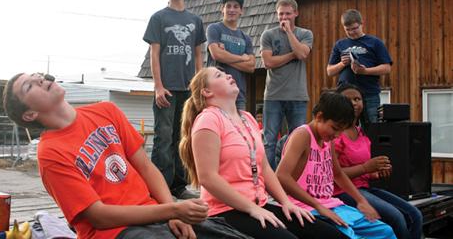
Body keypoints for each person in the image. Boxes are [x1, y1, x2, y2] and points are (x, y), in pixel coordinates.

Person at [2, 72, 254, 239]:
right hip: (116, 233)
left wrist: (173, 212)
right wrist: (170, 212)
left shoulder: (106, 110)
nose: (39, 78)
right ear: (29, 115)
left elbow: (146, 167)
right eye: (29, 85)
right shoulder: (50, 153)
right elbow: (99, 216)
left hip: (156, 214)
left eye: (37, 75)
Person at [179, 67, 349, 239]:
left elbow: (265, 168)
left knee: (330, 234)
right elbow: (207, 178)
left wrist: (286, 202)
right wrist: (252, 208)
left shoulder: (247, 118)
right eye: (219, 75)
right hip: (226, 210)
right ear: (207, 92)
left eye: (225, 73)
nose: (228, 75)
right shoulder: (208, 119)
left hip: (259, 204)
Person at [276, 92, 396, 239]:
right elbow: (281, 176)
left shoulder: (328, 140)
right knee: (349, 235)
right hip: (305, 206)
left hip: (331, 205)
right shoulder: (302, 136)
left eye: (341, 130)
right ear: (319, 117)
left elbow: (337, 174)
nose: (338, 134)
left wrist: (361, 200)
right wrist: (318, 206)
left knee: (385, 231)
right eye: (335, 128)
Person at [143, 0, 206, 199]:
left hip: (188, 90)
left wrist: (199, 87)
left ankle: (179, 186)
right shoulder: (159, 18)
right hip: (166, 89)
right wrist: (158, 86)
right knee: (163, 139)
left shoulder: (195, 20)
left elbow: (198, 55)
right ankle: (159, 189)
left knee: (183, 138)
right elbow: (154, 53)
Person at [334, 83, 423, 239]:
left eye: (357, 99)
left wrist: (374, 173)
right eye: (348, 99)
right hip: (343, 191)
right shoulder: (335, 135)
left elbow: (364, 171)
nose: (354, 103)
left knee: (415, 215)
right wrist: (365, 168)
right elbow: (333, 174)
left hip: (365, 188)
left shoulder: (361, 132)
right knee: (397, 218)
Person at [260, 0, 313, 169]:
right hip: (273, 95)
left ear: (296, 13)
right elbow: (268, 62)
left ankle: (293, 180)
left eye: (288, 14)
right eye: (281, 14)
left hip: (297, 95)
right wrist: (292, 55)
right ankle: (269, 184)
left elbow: (303, 54)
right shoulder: (268, 35)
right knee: (269, 140)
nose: (284, 18)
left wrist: (289, 33)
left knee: (297, 140)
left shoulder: (305, 34)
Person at [326, 9, 392, 123]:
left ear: (361, 24)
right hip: (345, 95)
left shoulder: (375, 42)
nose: (351, 32)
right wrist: (342, 64)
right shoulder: (339, 44)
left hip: (369, 94)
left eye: (355, 28)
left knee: (371, 128)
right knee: (344, 126)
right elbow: (330, 71)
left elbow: (386, 67)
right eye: (348, 30)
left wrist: (365, 71)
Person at [206, 0, 255, 110]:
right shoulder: (214, 29)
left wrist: (225, 56)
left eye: (235, 6)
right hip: (216, 94)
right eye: (228, 6)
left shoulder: (246, 38)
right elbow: (216, 54)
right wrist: (242, 58)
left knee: (237, 128)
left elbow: (251, 66)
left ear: (241, 11)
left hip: (238, 95)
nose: (231, 9)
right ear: (222, 9)